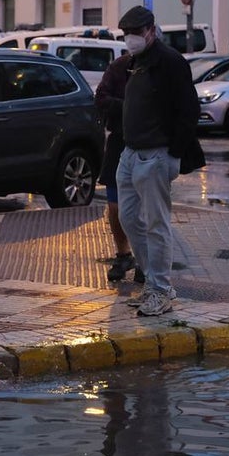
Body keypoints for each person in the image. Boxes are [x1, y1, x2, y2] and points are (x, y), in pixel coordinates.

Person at [114, 6, 198, 317]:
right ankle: (152, 283)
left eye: (135, 33)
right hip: (131, 153)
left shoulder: (170, 62)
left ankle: (161, 290)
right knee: (130, 219)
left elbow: (189, 110)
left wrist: (173, 153)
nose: (130, 39)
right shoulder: (136, 61)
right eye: (126, 34)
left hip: (156, 154)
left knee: (156, 224)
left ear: (151, 30)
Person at [94, 51, 142, 284]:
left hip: (148, 143)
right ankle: (123, 254)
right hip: (119, 140)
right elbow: (101, 97)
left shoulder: (163, 65)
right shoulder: (119, 66)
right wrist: (129, 107)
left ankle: (146, 259)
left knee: (145, 208)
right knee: (115, 205)